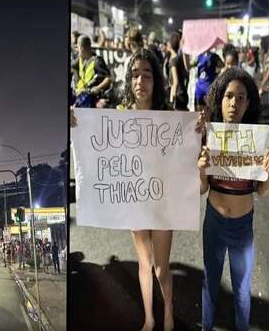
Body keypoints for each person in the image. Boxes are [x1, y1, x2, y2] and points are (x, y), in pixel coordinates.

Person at [70, 49, 200, 331]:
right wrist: (78, 126)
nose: (140, 80)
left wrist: (198, 128)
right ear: (129, 80)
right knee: (144, 264)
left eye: (147, 74)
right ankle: (149, 318)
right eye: (135, 74)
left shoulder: (169, 117)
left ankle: (168, 312)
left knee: (160, 268)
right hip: (134, 201)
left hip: (163, 202)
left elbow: (185, 149)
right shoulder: (117, 116)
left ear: (156, 80)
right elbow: (97, 146)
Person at [198, 68, 269, 331]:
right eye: (229, 96)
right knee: (210, 281)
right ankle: (206, 326)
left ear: (248, 103)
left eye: (241, 97)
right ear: (220, 99)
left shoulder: (257, 141)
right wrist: (201, 167)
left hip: (243, 226)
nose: (234, 103)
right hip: (214, 222)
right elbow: (200, 189)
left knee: (242, 289)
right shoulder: (210, 137)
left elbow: (263, 192)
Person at [71, 35, 112, 108]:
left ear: (82, 48)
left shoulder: (97, 61)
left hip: (94, 99)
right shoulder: (80, 60)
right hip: (83, 97)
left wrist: (98, 88)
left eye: (78, 47)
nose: (77, 50)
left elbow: (108, 79)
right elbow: (72, 67)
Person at [167, 32, 189, 111]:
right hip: (183, 94)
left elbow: (175, 82)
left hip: (178, 96)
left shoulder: (173, 60)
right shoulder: (179, 58)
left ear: (170, 44)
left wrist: (172, 100)